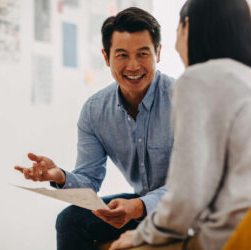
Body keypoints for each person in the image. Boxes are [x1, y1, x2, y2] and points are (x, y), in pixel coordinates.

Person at [15, 7, 175, 250]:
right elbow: (89, 182)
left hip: (187, 207)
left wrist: (140, 206)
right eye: (122, 55)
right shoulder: (94, 111)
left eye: (143, 54)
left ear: (158, 53)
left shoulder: (185, 100)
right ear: (106, 57)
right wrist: (59, 176)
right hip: (142, 207)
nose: (133, 66)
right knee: (70, 221)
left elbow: (196, 184)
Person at [109, 0, 251, 249]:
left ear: (187, 26)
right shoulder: (244, 78)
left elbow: (187, 196)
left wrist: (142, 235)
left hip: (234, 235)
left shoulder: (198, 80)